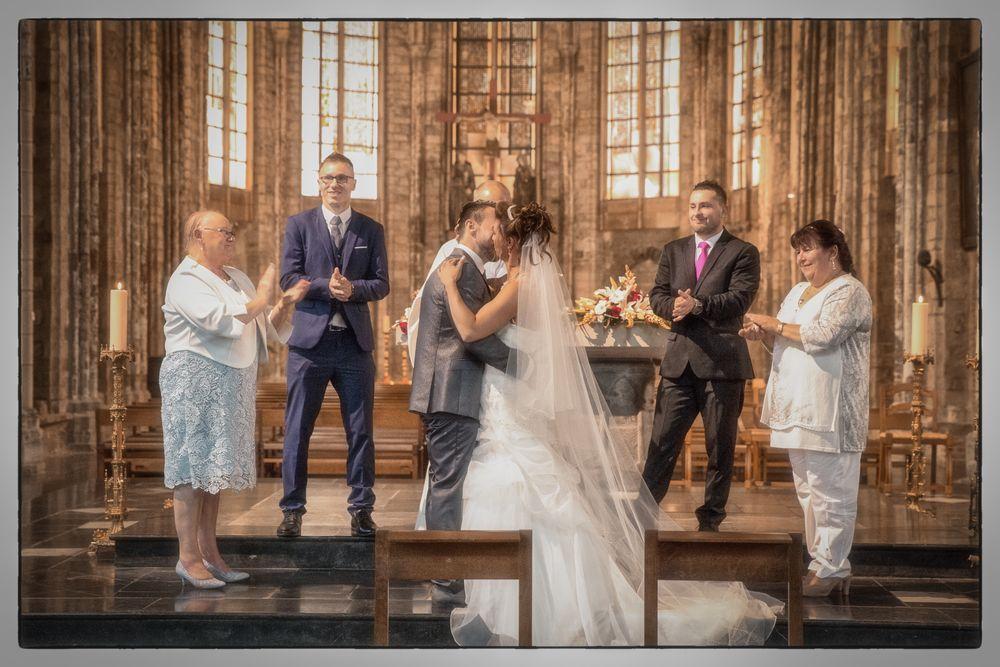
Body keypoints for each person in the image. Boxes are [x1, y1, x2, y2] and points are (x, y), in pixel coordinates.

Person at [427, 202, 778, 646]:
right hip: (506, 401)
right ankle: (512, 595)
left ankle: (535, 607)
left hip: (508, 406)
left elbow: (474, 330)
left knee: (510, 486)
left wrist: (450, 286)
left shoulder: (521, 282)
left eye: (500, 233)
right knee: (515, 484)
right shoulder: (523, 278)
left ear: (513, 242)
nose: (493, 238)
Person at [160, 210, 309, 588]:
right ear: (198, 235)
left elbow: (265, 327)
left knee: (214, 473)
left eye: (232, 231)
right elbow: (218, 320)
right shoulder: (185, 279)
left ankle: (210, 554)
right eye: (224, 232)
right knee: (192, 470)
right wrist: (261, 296)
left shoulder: (236, 277)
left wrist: (284, 301)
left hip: (230, 383)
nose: (231, 238)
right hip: (194, 380)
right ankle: (187, 558)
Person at [740, 219, 872, 598]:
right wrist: (764, 334)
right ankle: (821, 563)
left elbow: (825, 336)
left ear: (833, 252)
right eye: (798, 249)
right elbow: (785, 343)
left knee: (832, 492)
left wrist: (775, 325)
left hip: (833, 410)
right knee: (809, 492)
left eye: (808, 248)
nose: (801, 257)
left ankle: (834, 567)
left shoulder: (850, 291)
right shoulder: (798, 291)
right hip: (798, 405)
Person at [276, 152, 390, 539]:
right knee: (297, 429)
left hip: (354, 345)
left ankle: (361, 508)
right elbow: (288, 277)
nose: (335, 185)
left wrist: (354, 289)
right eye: (328, 178)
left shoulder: (371, 230)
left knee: (360, 431)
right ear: (318, 182)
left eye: (343, 178)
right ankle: (292, 509)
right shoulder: (299, 226)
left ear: (354, 183)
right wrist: (330, 287)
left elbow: (381, 283)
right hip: (309, 344)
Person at [641, 180, 761, 531]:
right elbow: (657, 295)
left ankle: (710, 522)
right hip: (679, 364)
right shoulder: (674, 249)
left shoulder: (742, 251)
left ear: (724, 209)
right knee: (661, 443)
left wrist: (698, 304)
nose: (698, 212)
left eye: (706, 205)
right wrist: (674, 305)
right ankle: (640, 517)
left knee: (719, 448)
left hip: (722, 365)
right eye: (693, 206)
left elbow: (740, 298)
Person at [408, 200, 511, 604]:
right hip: (452, 391)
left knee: (445, 482)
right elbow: (474, 335)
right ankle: (445, 576)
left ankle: (444, 571)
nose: (499, 235)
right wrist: (526, 365)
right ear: (472, 226)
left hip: (448, 391)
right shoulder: (462, 267)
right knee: (448, 485)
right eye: (495, 226)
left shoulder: (462, 266)